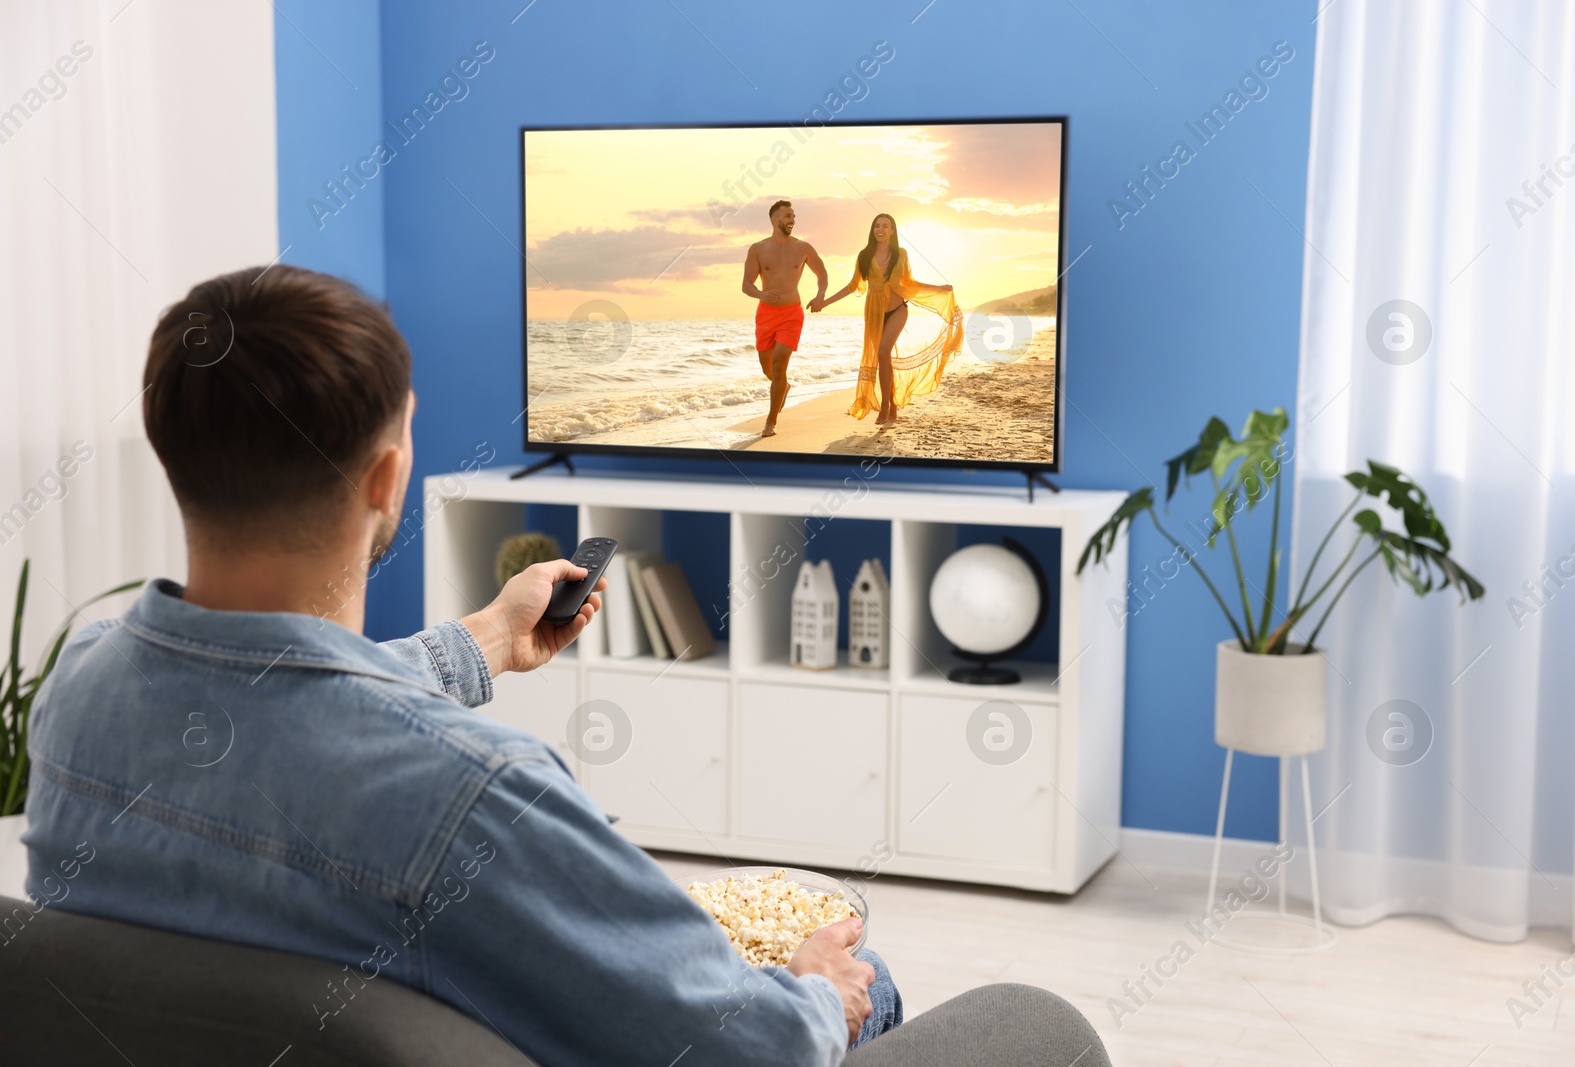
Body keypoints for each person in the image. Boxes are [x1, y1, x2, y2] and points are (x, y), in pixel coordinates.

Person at [23, 265, 901, 1065]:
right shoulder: (478, 792)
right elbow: (753, 1051)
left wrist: (482, 639)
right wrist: (820, 990)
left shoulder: (83, 684)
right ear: (385, 478)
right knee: (868, 978)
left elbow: (282, 703)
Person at [812, 213, 963, 426]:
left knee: (883, 352)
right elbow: (852, 286)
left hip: (898, 309)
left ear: (892, 230)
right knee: (884, 359)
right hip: (873, 314)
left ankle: (884, 407)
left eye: (885, 225)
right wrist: (824, 302)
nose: (880, 229)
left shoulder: (901, 254)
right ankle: (891, 404)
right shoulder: (864, 256)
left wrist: (938, 288)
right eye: (876, 225)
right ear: (872, 230)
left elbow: (909, 281)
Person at [743, 199, 828, 437]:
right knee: (768, 369)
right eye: (788, 216)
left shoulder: (803, 248)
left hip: (792, 313)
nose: (792, 220)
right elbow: (746, 285)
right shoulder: (757, 249)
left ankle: (771, 421)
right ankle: (783, 387)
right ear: (774, 219)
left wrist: (820, 294)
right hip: (766, 315)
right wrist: (761, 294)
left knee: (780, 365)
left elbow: (822, 272)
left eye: (794, 216)